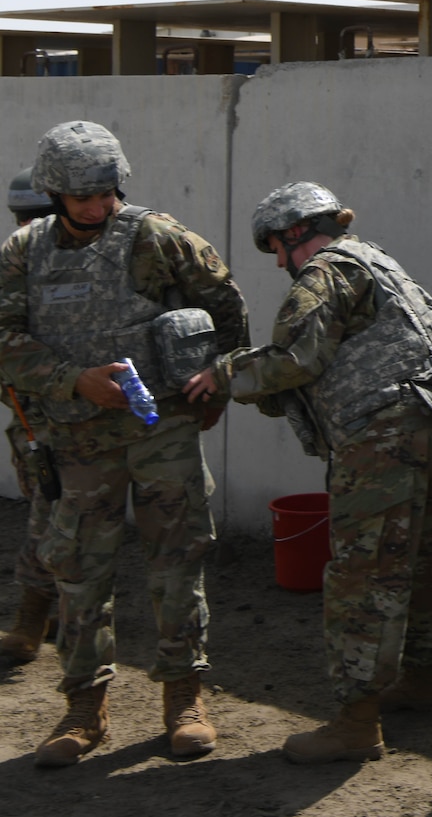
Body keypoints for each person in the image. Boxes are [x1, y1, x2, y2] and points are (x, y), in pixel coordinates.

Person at [185, 182, 432, 765]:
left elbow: (296, 359)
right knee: (420, 558)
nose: (277, 262)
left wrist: (221, 374)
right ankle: (421, 680)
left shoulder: (325, 274)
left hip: (381, 437)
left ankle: (354, 723)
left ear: (294, 233)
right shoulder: (380, 264)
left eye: (275, 247)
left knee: (362, 576)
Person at [0, 121, 247, 766]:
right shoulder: (25, 252)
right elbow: (3, 339)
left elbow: (225, 310)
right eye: (81, 195)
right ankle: (84, 706)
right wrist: (72, 380)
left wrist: (212, 389)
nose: (95, 205)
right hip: (78, 438)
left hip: (159, 430)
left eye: (105, 191)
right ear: (54, 193)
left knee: (176, 563)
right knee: (79, 573)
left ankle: (183, 697)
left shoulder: (158, 238)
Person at [1, 168, 61, 665]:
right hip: (29, 417)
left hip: (71, 414)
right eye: (24, 218)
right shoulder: (12, 267)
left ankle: (32, 617)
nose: (28, 228)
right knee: (45, 503)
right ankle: (54, 608)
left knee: (49, 511)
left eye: (38, 217)